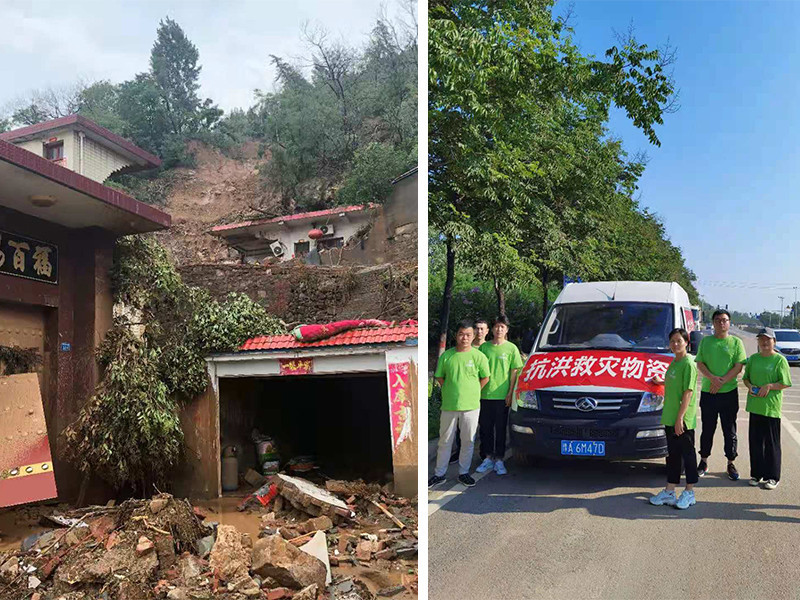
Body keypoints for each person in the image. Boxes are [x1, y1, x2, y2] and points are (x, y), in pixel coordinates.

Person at [429, 320, 490, 488]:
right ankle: (439, 474)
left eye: (468, 335)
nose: (464, 338)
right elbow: (440, 377)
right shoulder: (447, 355)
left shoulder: (479, 356)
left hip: (471, 406)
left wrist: (473, 390)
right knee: (445, 441)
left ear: (473, 336)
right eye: (461, 334)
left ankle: (463, 473)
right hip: (449, 406)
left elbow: (485, 377)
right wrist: (451, 389)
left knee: (468, 441)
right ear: (456, 335)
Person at [649, 328, 700, 509]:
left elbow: (687, 392)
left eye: (679, 341)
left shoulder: (688, 363)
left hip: (682, 419)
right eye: (672, 341)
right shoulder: (674, 362)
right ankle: (670, 491)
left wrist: (680, 419)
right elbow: (674, 382)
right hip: (670, 417)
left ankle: (689, 492)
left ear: (686, 342)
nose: (675, 344)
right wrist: (660, 381)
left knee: (688, 455)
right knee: (673, 456)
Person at [694, 309, 747, 479]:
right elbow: (700, 363)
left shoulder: (736, 342)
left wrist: (722, 381)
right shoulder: (706, 341)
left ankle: (731, 463)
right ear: (713, 323)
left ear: (729, 323)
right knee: (707, 429)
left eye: (725, 320)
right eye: (718, 320)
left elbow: (738, 366)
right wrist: (712, 378)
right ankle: (703, 461)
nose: (721, 323)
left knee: (729, 430)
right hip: (709, 392)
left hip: (729, 393)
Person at [743, 327, 791, 489]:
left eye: (767, 339)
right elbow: (746, 379)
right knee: (755, 443)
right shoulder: (753, 359)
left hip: (771, 408)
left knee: (771, 444)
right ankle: (756, 474)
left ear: (774, 342)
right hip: (755, 406)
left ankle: (773, 477)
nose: (764, 342)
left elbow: (785, 383)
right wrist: (750, 387)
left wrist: (770, 386)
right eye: (761, 339)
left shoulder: (779, 360)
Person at [475, 316, 524, 475]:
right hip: (484, 395)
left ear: (506, 329)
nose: (499, 329)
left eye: (502, 327)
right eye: (496, 326)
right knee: (485, 428)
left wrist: (510, 393)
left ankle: (500, 459)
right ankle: (488, 458)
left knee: (501, 429)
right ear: (492, 329)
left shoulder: (511, 348)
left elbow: (514, 371)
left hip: (502, 396)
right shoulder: (484, 348)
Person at [450, 317, 490, 464]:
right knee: (462, 427)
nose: (479, 331)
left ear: (487, 331)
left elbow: (486, 375)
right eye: (477, 328)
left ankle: (484, 454)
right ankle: (460, 453)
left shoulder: (489, 348)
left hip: (484, 394)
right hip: (463, 397)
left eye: (482, 329)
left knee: (484, 425)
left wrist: (475, 390)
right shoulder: (464, 348)